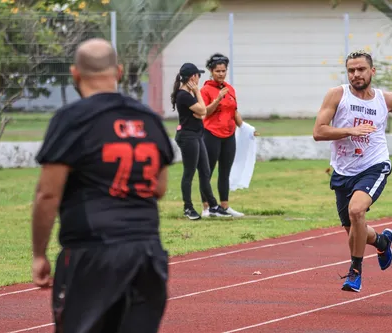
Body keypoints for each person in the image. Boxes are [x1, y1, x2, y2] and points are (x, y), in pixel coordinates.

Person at [30, 38, 174, 333]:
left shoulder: (72, 119)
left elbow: (48, 194)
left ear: (75, 74)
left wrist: (39, 254)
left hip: (92, 252)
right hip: (147, 252)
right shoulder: (148, 118)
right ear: (119, 71)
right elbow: (159, 188)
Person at [312, 50, 392, 293]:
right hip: (343, 170)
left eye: (361, 69)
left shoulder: (386, 99)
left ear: (372, 71)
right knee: (354, 229)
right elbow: (319, 131)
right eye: (351, 70)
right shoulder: (337, 95)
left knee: (356, 210)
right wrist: (350, 131)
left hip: (374, 165)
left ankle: (355, 272)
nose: (355, 74)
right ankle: (382, 242)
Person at [171, 62, 231, 220]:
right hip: (188, 137)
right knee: (189, 173)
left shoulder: (188, 95)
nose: (199, 78)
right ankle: (188, 208)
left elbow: (201, 114)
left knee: (205, 172)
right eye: (198, 75)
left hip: (197, 135)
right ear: (192, 77)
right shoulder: (184, 95)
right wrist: (198, 92)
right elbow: (203, 111)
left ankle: (213, 206)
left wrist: (202, 105)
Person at [199, 53, 249, 218]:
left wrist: (245, 128)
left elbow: (234, 111)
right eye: (217, 71)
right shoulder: (205, 90)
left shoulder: (230, 89)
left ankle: (225, 206)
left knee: (225, 171)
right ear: (211, 71)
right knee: (208, 171)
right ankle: (206, 207)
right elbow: (205, 112)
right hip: (211, 134)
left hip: (229, 135)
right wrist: (218, 99)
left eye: (223, 70)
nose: (221, 74)